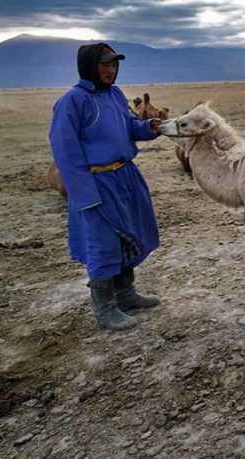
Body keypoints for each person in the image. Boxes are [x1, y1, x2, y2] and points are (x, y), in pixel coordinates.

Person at [49, 43, 162, 331]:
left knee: (131, 233)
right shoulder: (72, 101)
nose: (110, 70)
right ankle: (105, 308)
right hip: (96, 181)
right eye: (105, 65)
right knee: (103, 243)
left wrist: (148, 127)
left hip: (124, 176)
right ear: (89, 66)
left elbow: (128, 128)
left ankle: (126, 294)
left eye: (114, 65)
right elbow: (64, 151)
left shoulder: (114, 94)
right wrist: (83, 193)